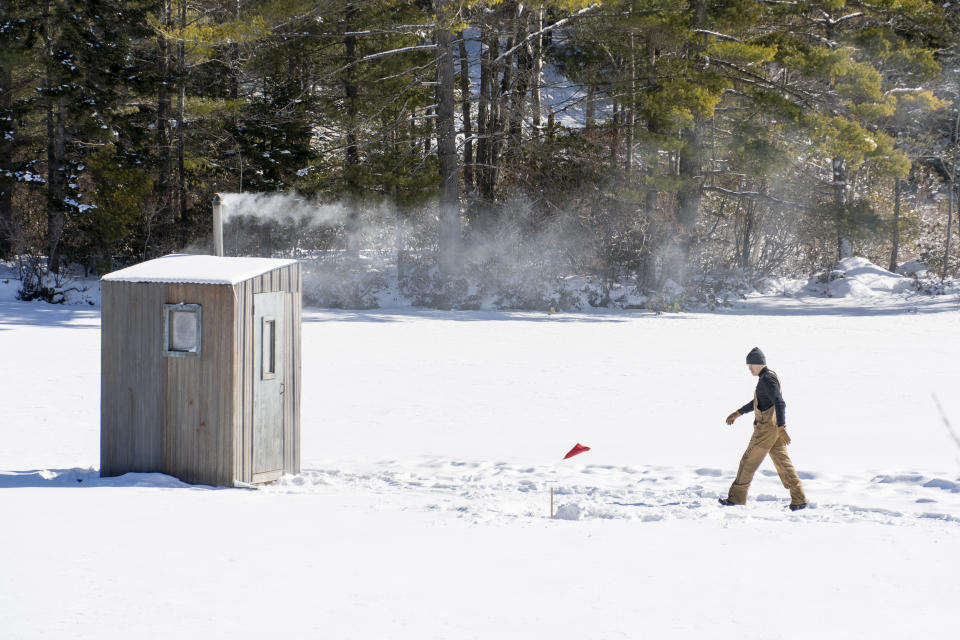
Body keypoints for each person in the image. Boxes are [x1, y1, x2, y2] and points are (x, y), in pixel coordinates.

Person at [719, 347, 808, 511]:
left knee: (747, 462)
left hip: (766, 430)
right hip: (773, 429)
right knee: (783, 463)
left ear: (759, 363)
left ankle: (736, 499)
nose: (749, 368)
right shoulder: (767, 377)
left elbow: (780, 402)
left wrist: (782, 428)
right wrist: (738, 413)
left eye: (750, 364)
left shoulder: (767, 380)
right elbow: (760, 402)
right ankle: (799, 499)